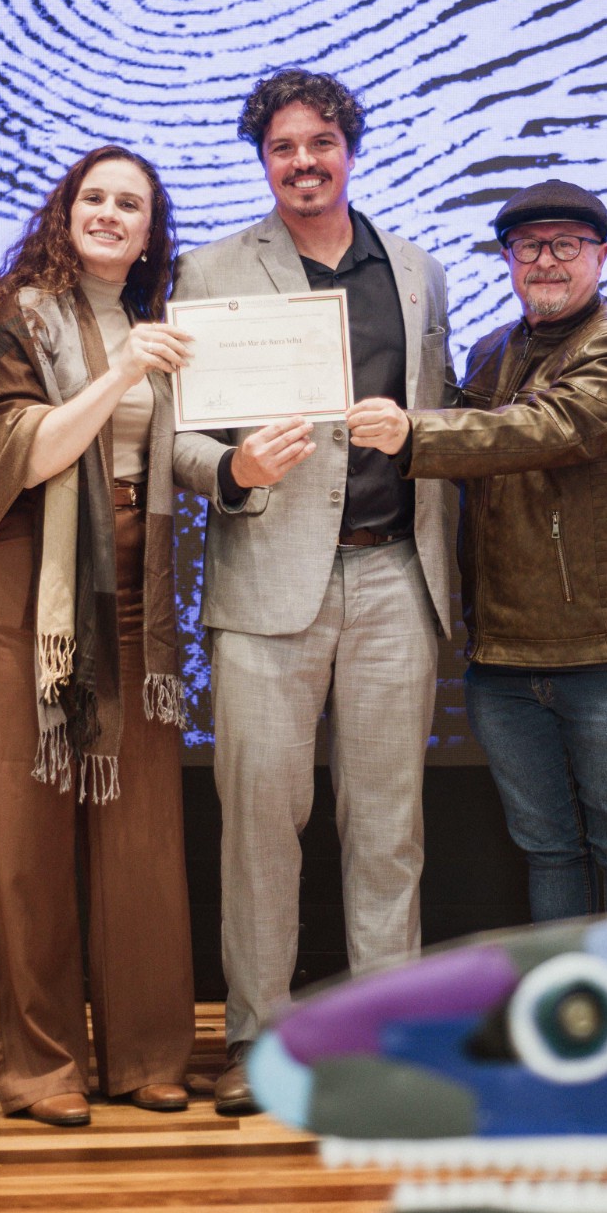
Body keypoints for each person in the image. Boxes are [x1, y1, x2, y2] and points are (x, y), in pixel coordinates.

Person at [172, 68, 454, 1113]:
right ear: (262, 159)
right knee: (258, 823)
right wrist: (231, 471)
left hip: (393, 572)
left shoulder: (414, 270)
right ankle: (262, 1043)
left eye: (320, 144)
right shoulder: (208, 271)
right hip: (264, 582)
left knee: (386, 827)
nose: (303, 162)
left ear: (350, 149)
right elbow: (173, 437)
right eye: (283, 147)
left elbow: (438, 413)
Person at [0, 146, 240, 1126]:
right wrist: (120, 369)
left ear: (150, 227)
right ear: (66, 211)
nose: (111, 213)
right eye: (96, 198)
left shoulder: (159, 322)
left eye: (132, 203)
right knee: (28, 844)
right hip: (28, 598)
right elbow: (20, 452)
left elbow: (187, 449)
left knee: (142, 839)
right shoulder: (20, 316)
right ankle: (41, 1070)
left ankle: (147, 1056)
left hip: (133, 596)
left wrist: (250, 467)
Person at [348, 178, 607, 923]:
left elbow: (534, 432)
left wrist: (412, 433)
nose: (546, 261)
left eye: (566, 245)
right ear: (506, 258)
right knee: (548, 849)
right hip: (502, 658)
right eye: (527, 246)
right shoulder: (493, 347)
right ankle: (568, 1026)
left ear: (600, 254)